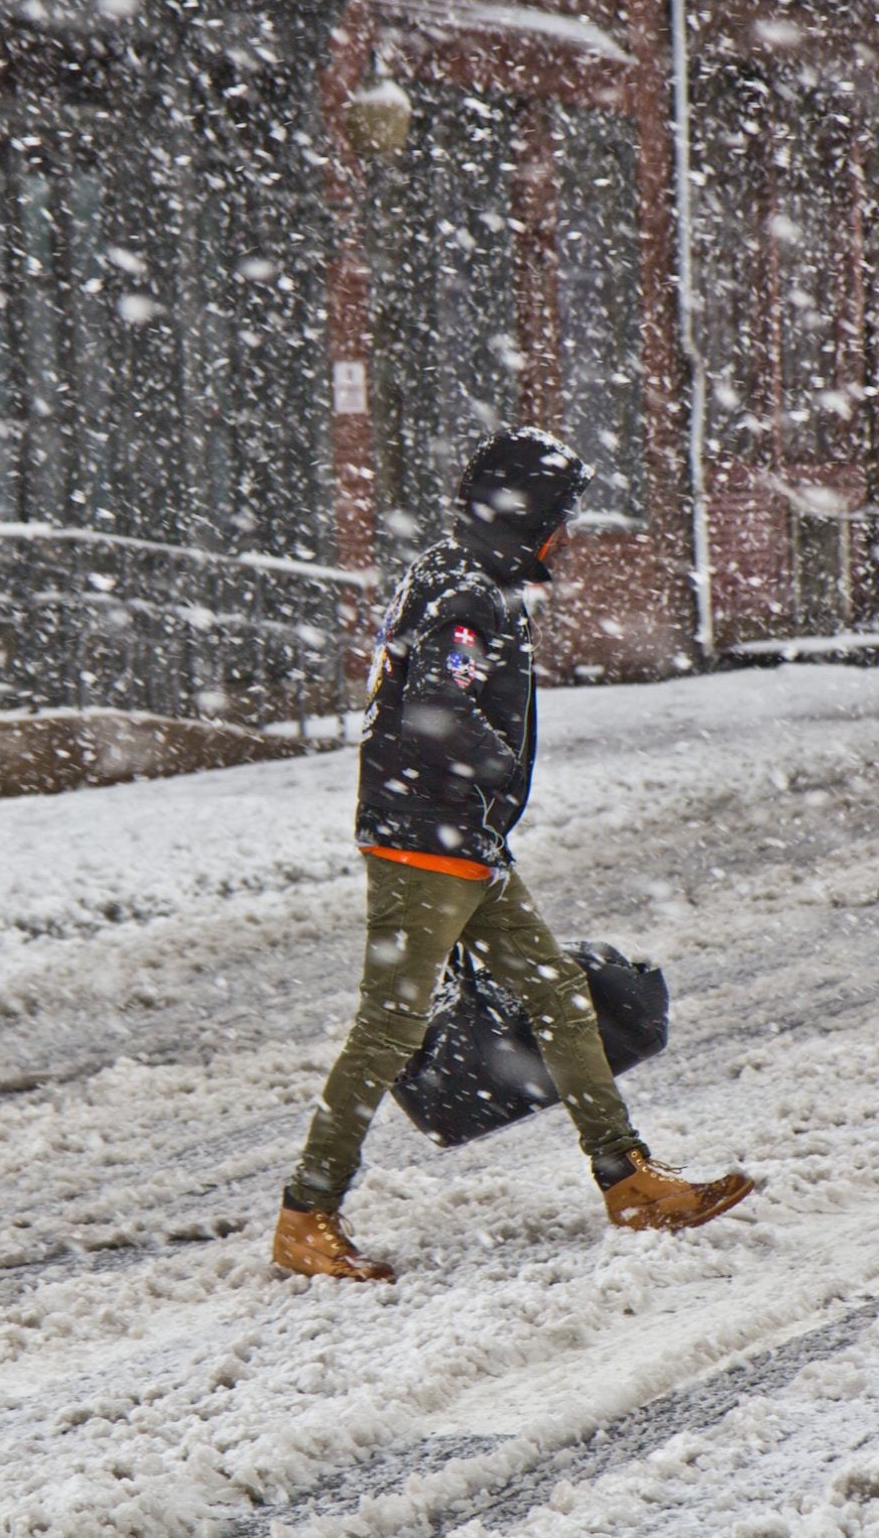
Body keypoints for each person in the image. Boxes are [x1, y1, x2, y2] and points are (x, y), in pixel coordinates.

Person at [272, 427, 756, 1283]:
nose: (564, 537)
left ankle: (627, 1177)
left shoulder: (452, 577)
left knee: (560, 995)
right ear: (526, 516)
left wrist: (489, 802)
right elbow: (435, 705)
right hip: (430, 841)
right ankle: (308, 1214)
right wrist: (496, 765)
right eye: (559, 519)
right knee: (388, 1026)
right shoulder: (469, 600)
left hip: (462, 837)